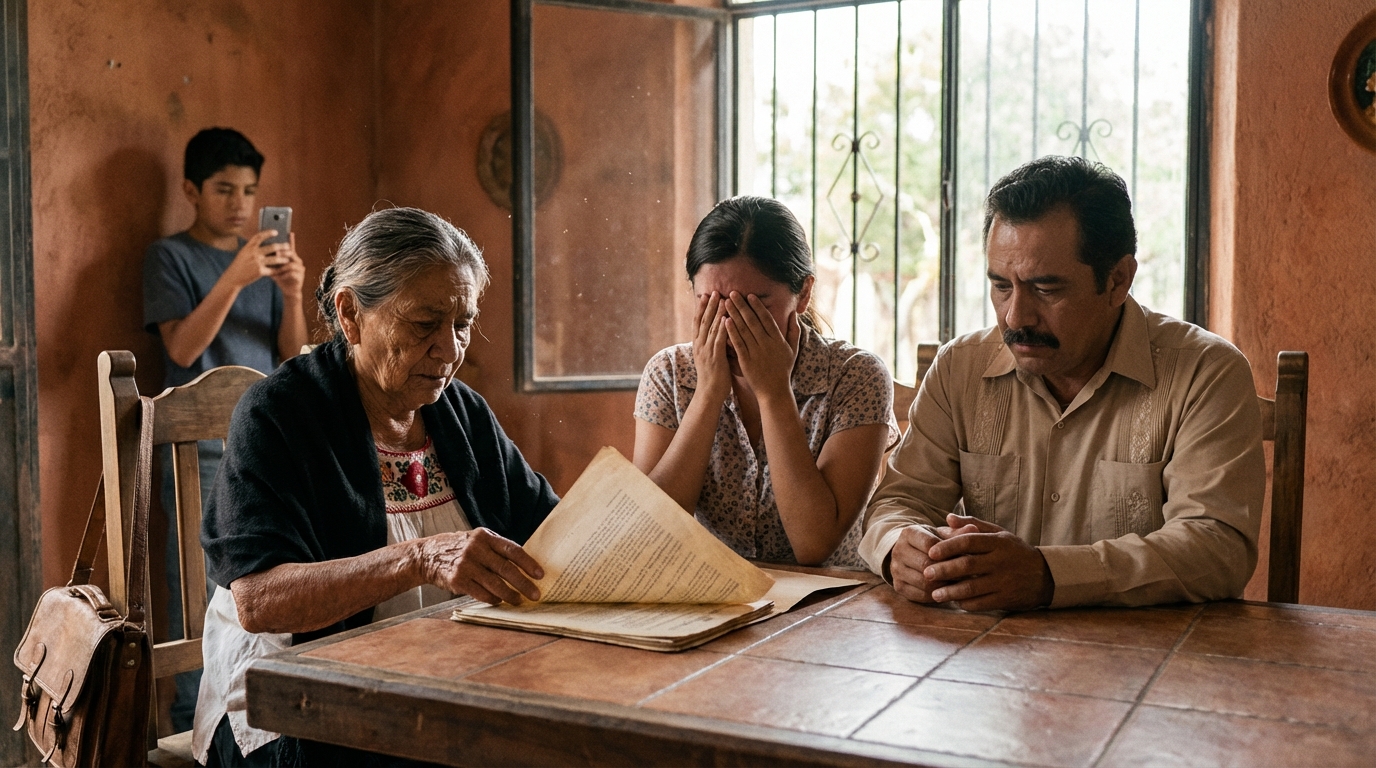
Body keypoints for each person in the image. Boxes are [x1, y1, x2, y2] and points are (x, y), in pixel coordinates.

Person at [193, 207, 557, 766]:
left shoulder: (461, 415)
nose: (450, 348)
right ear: (351, 314)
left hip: (425, 686)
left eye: (462, 322)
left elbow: (546, 530)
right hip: (290, 704)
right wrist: (418, 559)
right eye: (423, 323)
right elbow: (259, 601)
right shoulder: (282, 415)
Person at [860, 156, 1265, 611]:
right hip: (984, 663)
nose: (1016, 317)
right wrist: (900, 547)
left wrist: (1048, 575)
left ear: (1118, 280)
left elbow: (1216, 548)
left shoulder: (1205, 373)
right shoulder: (961, 368)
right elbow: (898, 502)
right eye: (1001, 286)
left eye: (1046, 289)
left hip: (1151, 661)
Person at [142, 127, 309, 730]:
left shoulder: (260, 263)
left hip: (265, 443)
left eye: (249, 190)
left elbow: (292, 360)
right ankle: (192, 719)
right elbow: (183, 350)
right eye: (223, 189)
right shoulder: (171, 257)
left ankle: (251, 716)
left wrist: (291, 294)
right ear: (190, 189)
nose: (239, 203)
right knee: (192, 589)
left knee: (264, 583)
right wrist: (235, 277)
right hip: (198, 452)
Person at [633, 195, 898, 568]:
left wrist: (774, 393)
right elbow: (649, 535)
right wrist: (709, 392)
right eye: (710, 303)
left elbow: (814, 544)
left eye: (754, 306)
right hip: (713, 596)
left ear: (803, 294)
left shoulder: (856, 376)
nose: (730, 327)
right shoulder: (669, 373)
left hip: (828, 604)